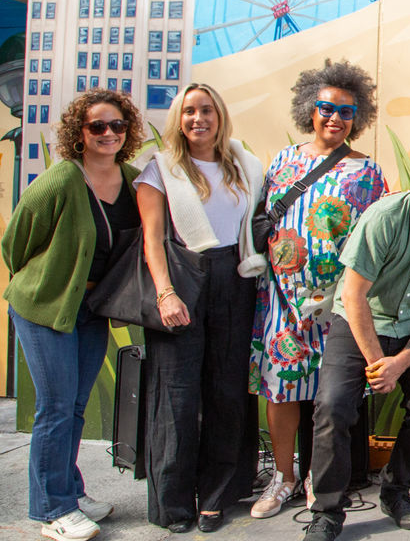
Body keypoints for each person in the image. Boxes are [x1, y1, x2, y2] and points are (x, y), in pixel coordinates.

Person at [301, 134, 410, 541]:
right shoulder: (385, 216)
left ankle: (397, 491)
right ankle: (327, 510)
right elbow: (353, 294)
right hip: (360, 321)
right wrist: (377, 363)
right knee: (332, 407)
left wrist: (400, 363)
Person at [248, 61, 387, 519]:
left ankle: (318, 478)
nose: (335, 118)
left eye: (346, 112)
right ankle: (283, 477)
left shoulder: (368, 172)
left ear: (357, 118)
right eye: (327, 108)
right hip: (282, 299)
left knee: (332, 395)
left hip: (337, 303)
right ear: (310, 108)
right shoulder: (282, 162)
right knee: (281, 389)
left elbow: (375, 238)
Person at [2, 90, 143, 541]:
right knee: (57, 407)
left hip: (92, 309)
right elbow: (15, 243)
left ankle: (70, 492)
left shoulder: (134, 180)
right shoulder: (63, 178)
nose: (108, 133)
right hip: (46, 306)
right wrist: (47, 279)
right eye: (97, 126)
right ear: (79, 133)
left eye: (117, 125)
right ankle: (53, 510)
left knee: (75, 407)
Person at [136, 83, 266, 534]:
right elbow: (152, 240)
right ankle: (173, 504)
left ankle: (217, 496)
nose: (198, 119)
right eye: (189, 111)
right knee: (176, 395)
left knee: (228, 391)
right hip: (182, 279)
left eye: (206, 110)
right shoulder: (160, 169)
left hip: (235, 279)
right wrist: (165, 293)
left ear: (219, 115)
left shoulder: (243, 166)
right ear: (179, 119)